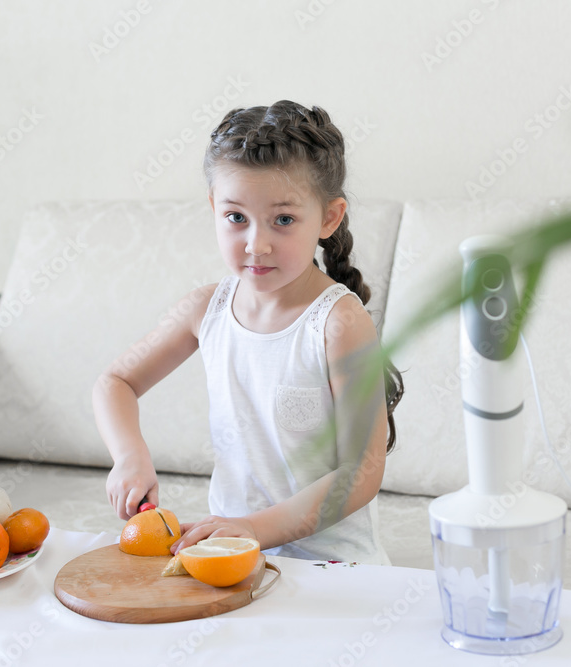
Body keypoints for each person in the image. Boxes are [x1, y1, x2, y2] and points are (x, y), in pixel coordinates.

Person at [93, 100, 404, 565]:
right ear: (215, 207)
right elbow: (115, 383)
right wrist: (129, 455)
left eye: (283, 220)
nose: (256, 244)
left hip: (332, 566)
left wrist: (252, 529)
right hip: (228, 555)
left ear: (328, 218)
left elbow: (362, 470)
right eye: (236, 217)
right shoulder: (206, 309)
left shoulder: (338, 323)